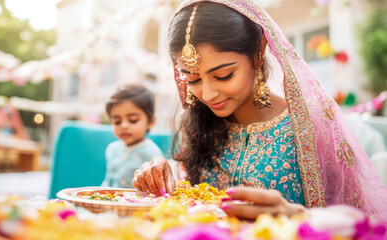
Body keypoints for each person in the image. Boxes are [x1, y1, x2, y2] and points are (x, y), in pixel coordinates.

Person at [132, 0, 387, 220]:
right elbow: (189, 197)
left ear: (258, 52)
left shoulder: (312, 125)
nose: (207, 94)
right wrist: (165, 173)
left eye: (224, 75)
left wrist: (300, 217)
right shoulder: (202, 123)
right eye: (193, 80)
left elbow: (362, 219)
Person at [101, 84, 164, 188]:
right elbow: (108, 181)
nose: (124, 126)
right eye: (117, 121)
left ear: (150, 122)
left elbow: (157, 189)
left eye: (133, 120)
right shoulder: (112, 149)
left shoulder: (152, 155)